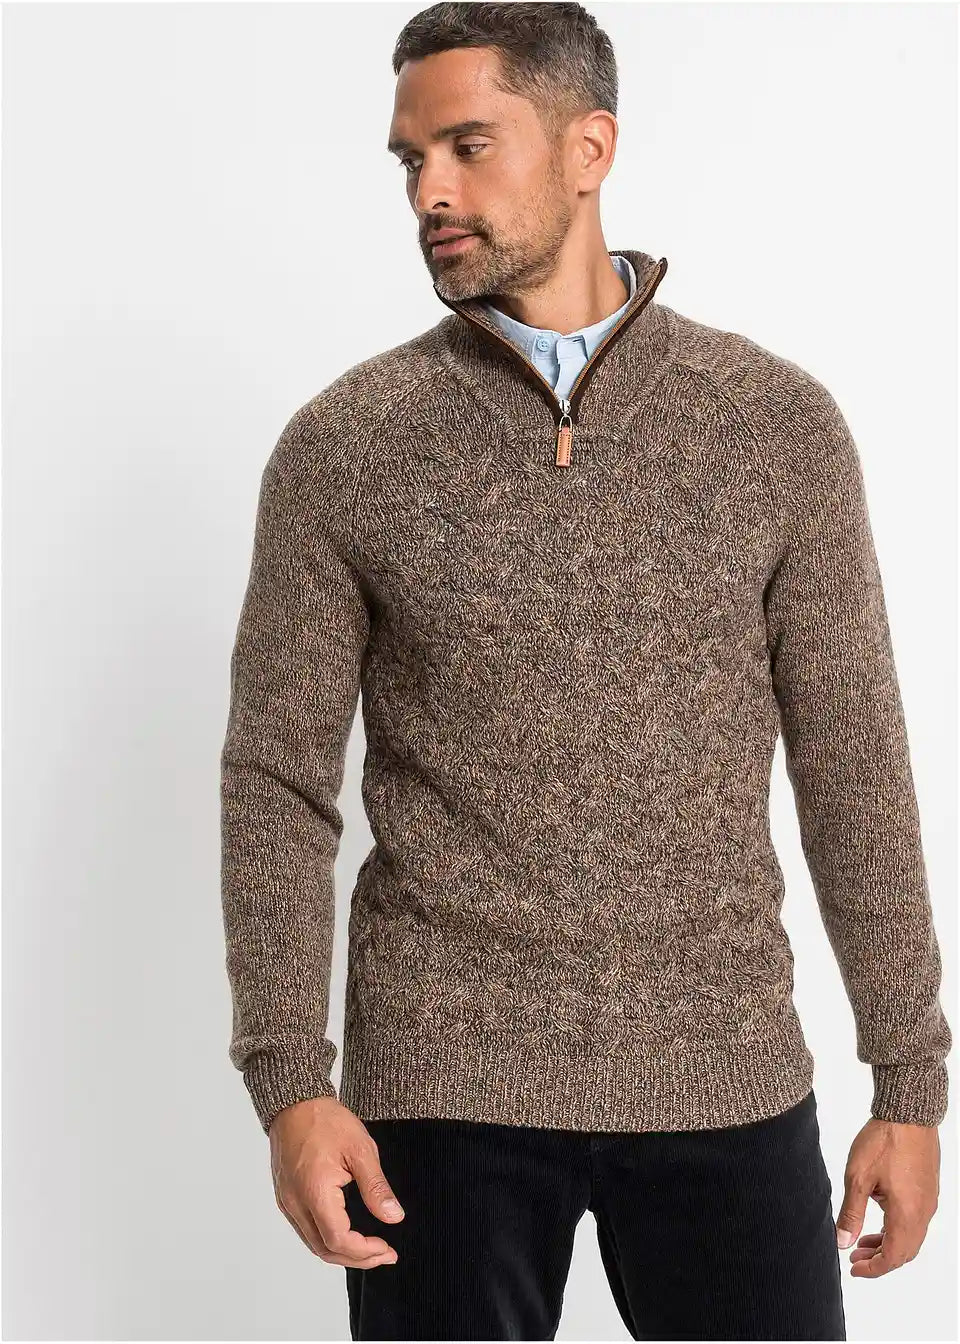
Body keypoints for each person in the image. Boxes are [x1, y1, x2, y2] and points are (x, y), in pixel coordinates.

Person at [218, 4, 951, 1339]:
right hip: (443, 1082)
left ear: (588, 148)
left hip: (721, 1065)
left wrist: (910, 1080)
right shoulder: (346, 448)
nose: (429, 192)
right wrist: (290, 1082)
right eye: (410, 160)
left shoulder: (773, 426)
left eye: (467, 145)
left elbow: (853, 762)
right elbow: (277, 781)